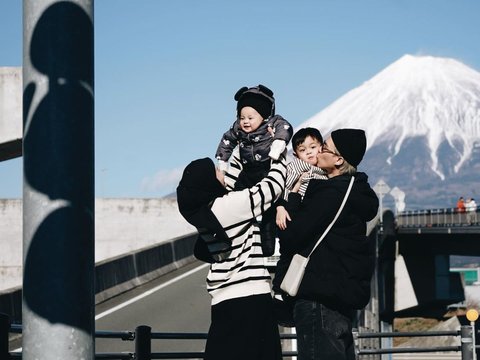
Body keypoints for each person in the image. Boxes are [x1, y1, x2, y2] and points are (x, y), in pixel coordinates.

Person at [273, 128, 379, 360]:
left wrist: (291, 198)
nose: (317, 152)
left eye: (324, 148)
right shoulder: (355, 192)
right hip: (341, 300)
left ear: (338, 160)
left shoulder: (330, 193)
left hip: (318, 299)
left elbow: (292, 234)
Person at [176, 152, 287, 360]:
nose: (221, 171)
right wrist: (278, 155)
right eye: (215, 171)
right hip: (251, 299)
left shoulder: (206, 213)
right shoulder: (229, 206)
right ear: (207, 181)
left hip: (222, 302)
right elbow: (272, 188)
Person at [215, 84, 293, 256]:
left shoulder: (272, 123)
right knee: (235, 199)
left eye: (250, 117)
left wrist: (279, 143)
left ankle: (267, 248)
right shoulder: (238, 128)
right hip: (248, 171)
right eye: (242, 117)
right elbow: (227, 141)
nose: (245, 121)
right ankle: (234, 235)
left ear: (264, 116)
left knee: (268, 210)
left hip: (267, 169)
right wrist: (222, 162)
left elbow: (285, 127)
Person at [276, 127, 328, 231]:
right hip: (295, 212)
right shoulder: (298, 166)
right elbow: (285, 187)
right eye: (302, 150)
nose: (308, 152)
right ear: (296, 155)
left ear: (321, 148)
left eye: (312, 147)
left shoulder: (325, 170)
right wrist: (280, 207)